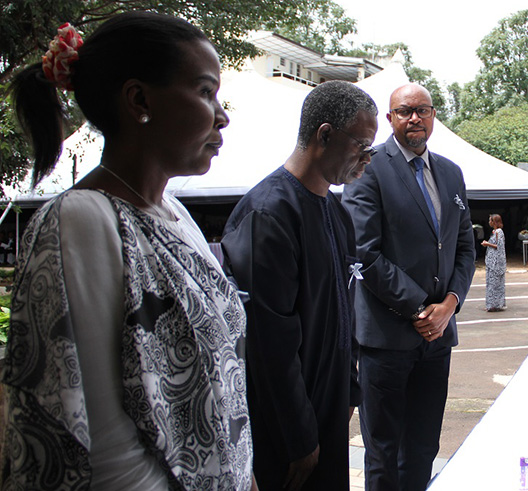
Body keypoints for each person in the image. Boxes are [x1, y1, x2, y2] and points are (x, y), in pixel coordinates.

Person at [3, 12, 253, 489]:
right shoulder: (81, 222)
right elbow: (99, 444)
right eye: (204, 91)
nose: (221, 115)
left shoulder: (176, 216)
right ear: (139, 99)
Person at [221, 81, 377, 491]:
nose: (366, 161)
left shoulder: (335, 211)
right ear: (324, 135)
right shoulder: (269, 214)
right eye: (361, 147)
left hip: (326, 408)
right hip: (285, 423)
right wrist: (299, 434)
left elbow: (346, 309)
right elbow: (269, 342)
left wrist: (349, 390)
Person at [343, 83, 476, 491]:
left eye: (422, 110)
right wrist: (422, 308)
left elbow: (464, 248)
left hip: (437, 340)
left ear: (434, 115)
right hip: (386, 338)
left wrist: (449, 304)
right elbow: (364, 251)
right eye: (404, 111)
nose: (414, 118)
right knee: (383, 451)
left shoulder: (451, 172)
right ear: (390, 119)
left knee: (422, 447)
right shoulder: (368, 167)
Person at [481, 214, 506, 312]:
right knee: (491, 283)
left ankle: (494, 305)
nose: (489, 222)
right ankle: (492, 304)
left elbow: (498, 246)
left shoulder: (499, 232)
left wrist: (487, 244)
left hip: (496, 263)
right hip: (492, 262)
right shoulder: (495, 232)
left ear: (494, 222)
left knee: (494, 284)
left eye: (490, 220)